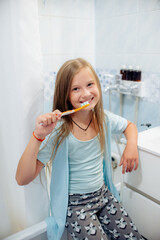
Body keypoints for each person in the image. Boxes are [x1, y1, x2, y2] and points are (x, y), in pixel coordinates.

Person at [16, 58, 144, 240]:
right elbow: (22, 178)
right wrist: (38, 136)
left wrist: (131, 146)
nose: (85, 93)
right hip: (77, 206)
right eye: (75, 89)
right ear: (65, 95)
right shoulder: (59, 131)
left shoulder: (103, 119)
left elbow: (129, 126)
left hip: (103, 195)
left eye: (90, 84)